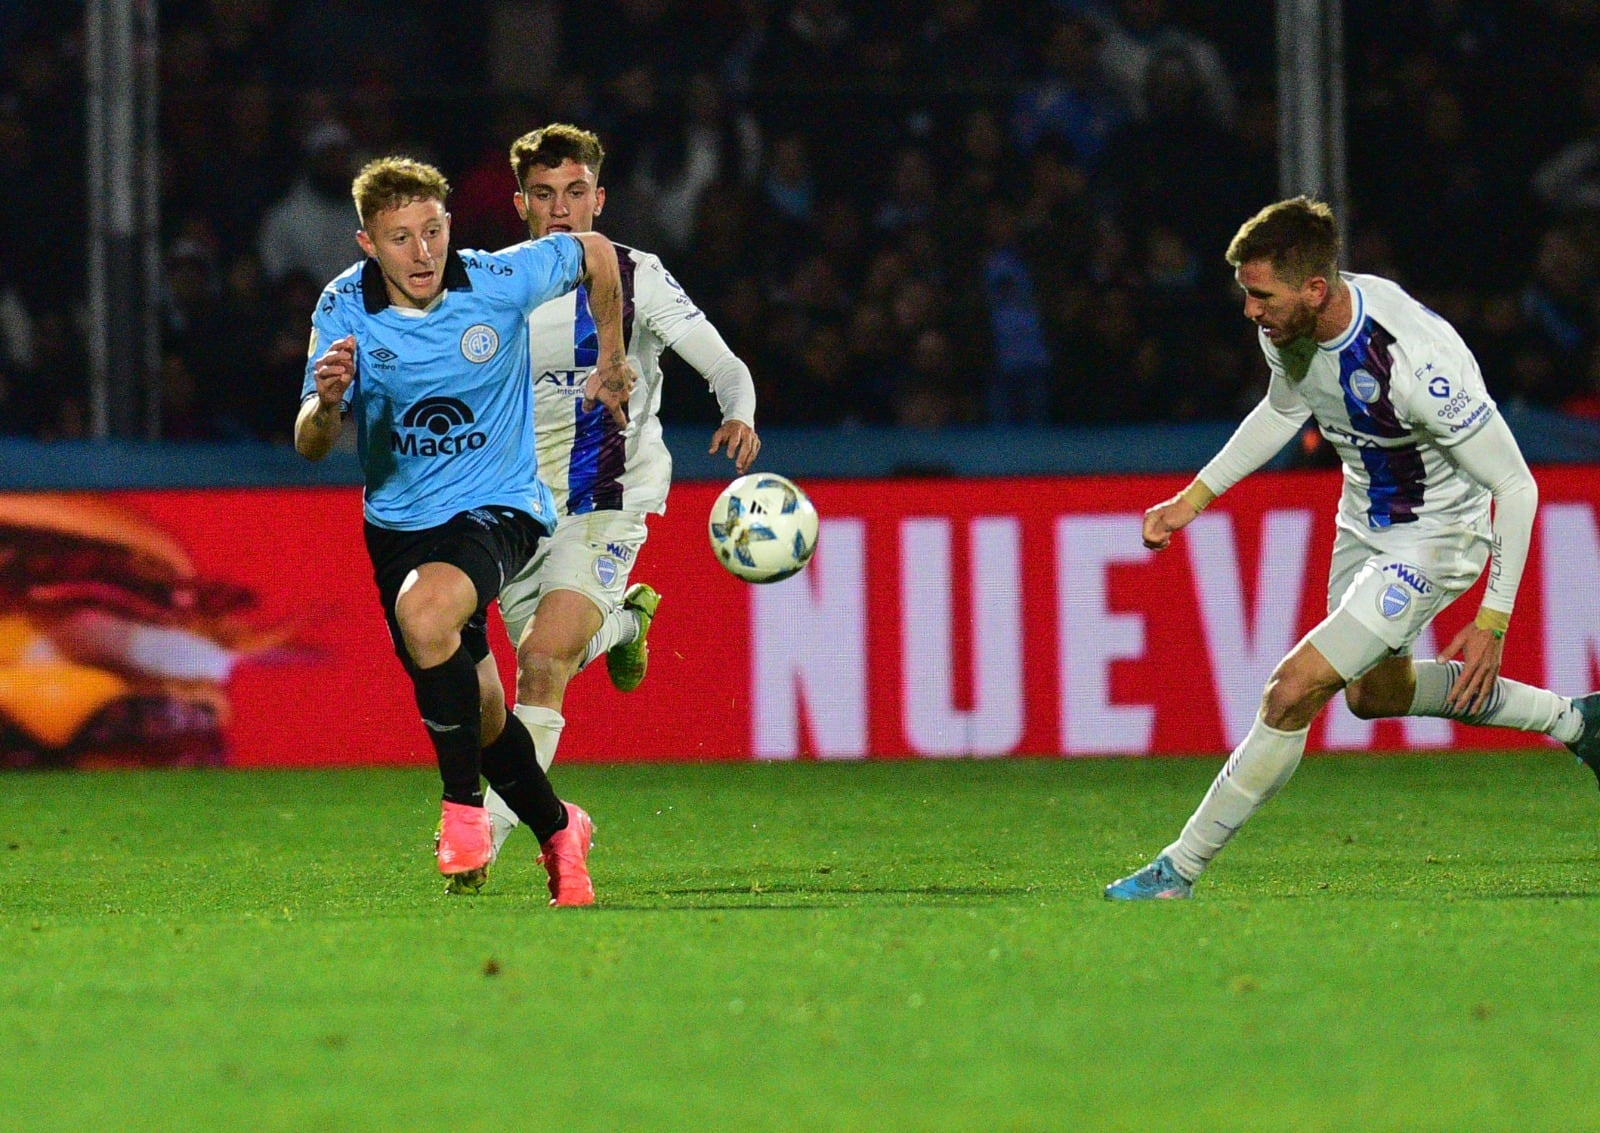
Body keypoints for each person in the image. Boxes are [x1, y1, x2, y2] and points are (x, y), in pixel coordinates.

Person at [1105, 196, 1600, 901]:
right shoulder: (1289, 327)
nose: (1250, 311)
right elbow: (1284, 407)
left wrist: (1493, 620)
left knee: (1291, 690)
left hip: (1437, 535)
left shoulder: (1417, 363)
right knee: (1373, 693)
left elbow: (1517, 488)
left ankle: (1176, 870)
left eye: (1260, 295)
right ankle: (1578, 720)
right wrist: (1194, 499)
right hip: (1362, 517)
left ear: (1314, 289)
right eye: (1247, 294)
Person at [295, 155, 634, 906]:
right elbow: (311, 442)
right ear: (366, 243)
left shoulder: (497, 279)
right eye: (400, 238)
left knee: (426, 613)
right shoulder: (343, 308)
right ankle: (559, 828)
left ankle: (461, 811)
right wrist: (325, 404)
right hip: (399, 528)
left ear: (450, 226)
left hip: (500, 509)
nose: (422, 253)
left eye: (432, 231)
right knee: (480, 710)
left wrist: (611, 356)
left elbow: (597, 251)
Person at [477, 123, 760, 865]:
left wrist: (740, 411)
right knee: (547, 663)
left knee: (540, 662)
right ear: (521, 204)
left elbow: (727, 367)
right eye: (545, 195)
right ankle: (628, 625)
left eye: (575, 193)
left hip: (608, 503)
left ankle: (485, 833)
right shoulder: (486, 287)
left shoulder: (640, 278)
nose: (562, 210)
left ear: (598, 199)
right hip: (514, 515)